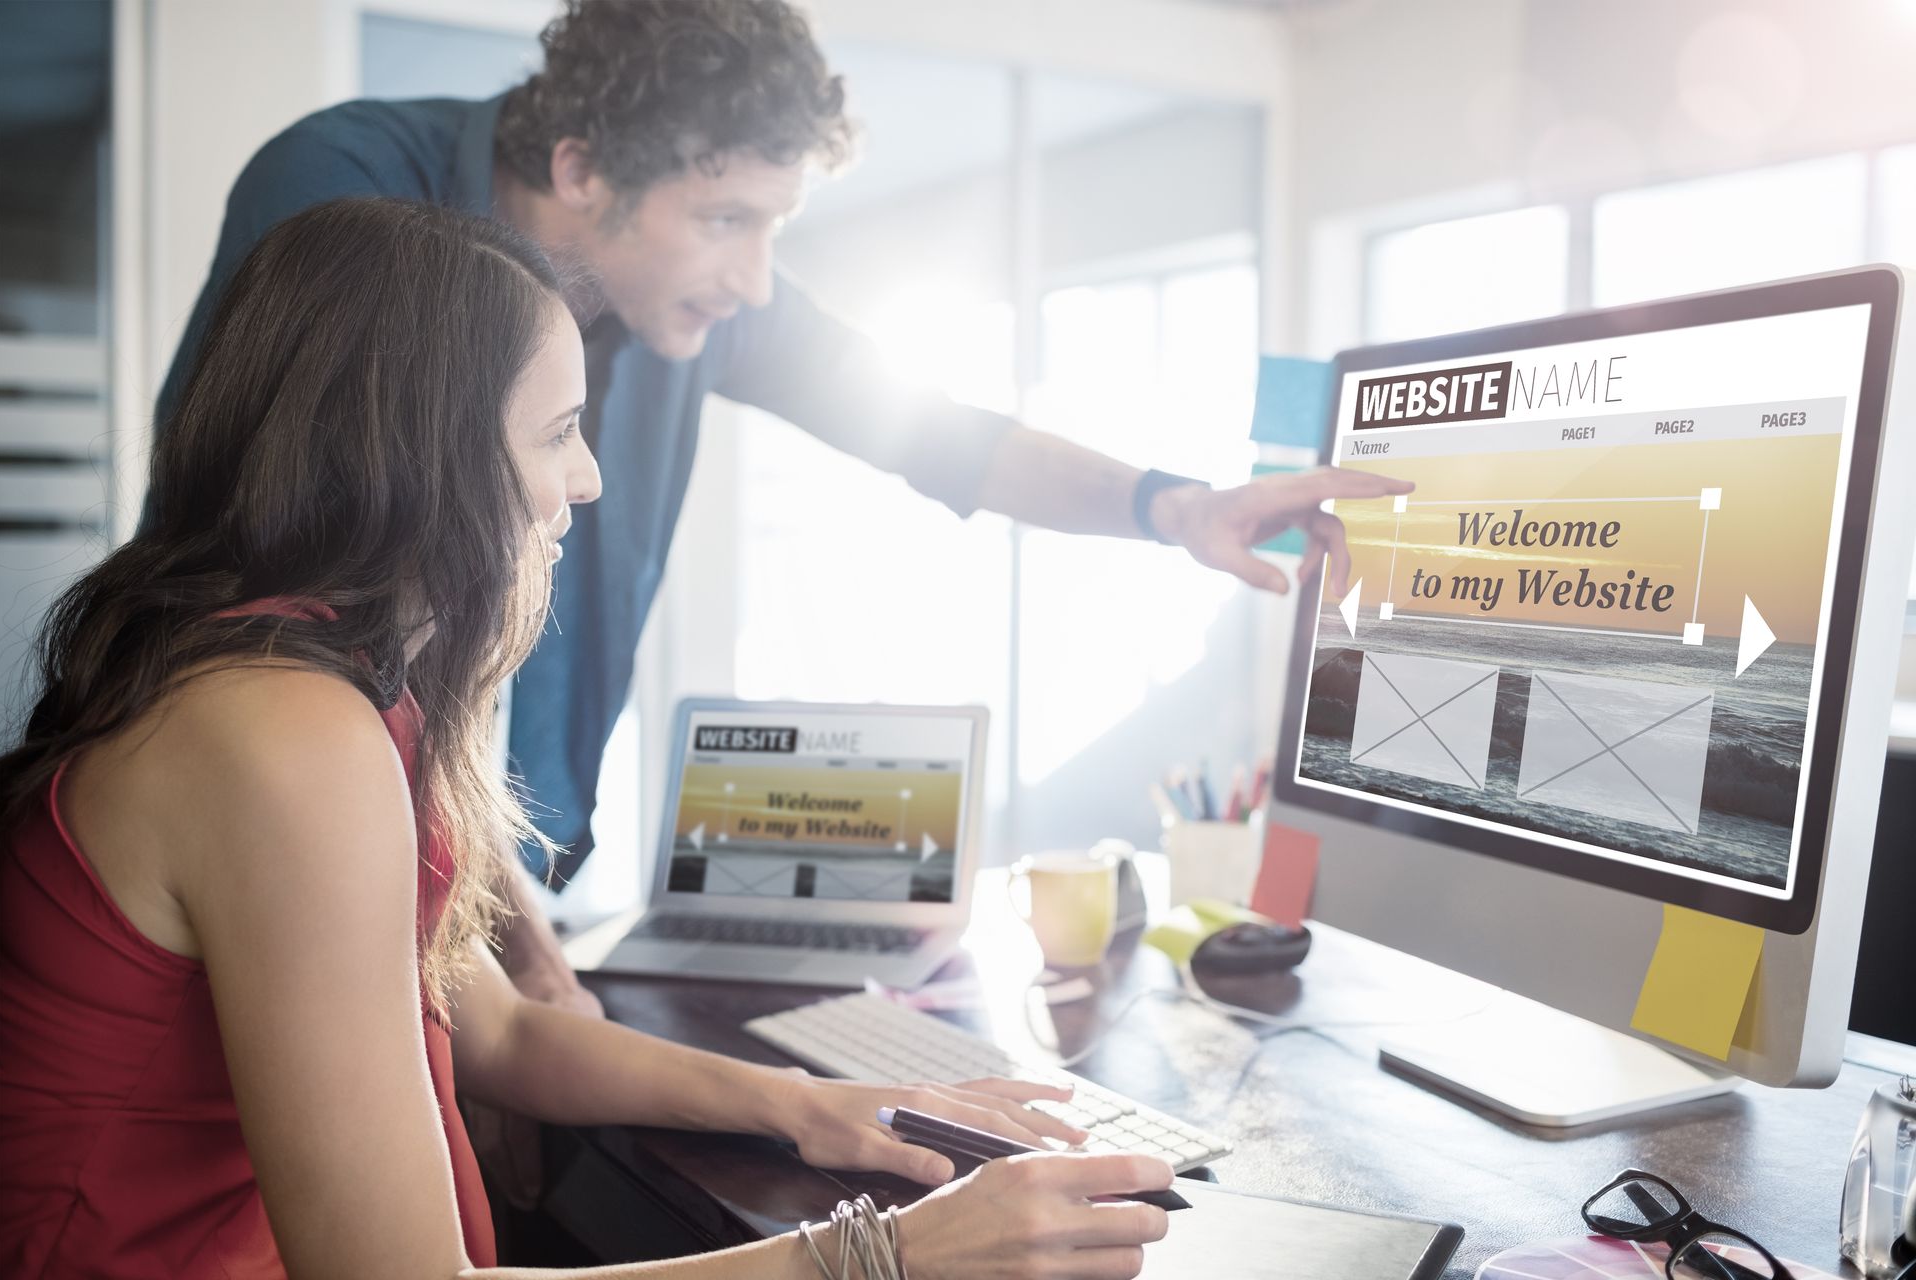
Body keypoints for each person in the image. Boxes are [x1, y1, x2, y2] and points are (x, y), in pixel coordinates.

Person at [153, 0, 1413, 1012]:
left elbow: (933, 429)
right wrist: (517, 977)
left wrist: (1173, 507)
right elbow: (291, 582)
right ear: (582, 168)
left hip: (508, 889)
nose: (755, 277)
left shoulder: (690, 299)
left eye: (774, 226)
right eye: (725, 219)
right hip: (313, 851)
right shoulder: (351, 193)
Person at [0, 196, 1173, 1279]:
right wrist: (884, 1255)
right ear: (427, 454)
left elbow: (491, 1024)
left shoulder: (308, 684)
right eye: (559, 430)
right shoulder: (282, 734)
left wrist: (810, 1105)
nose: (591, 477)